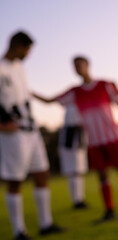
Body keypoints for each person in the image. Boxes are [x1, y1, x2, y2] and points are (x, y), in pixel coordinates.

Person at [33, 55, 118, 223]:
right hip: (94, 141)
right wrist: (28, 92)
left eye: (79, 64)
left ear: (87, 65)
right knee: (102, 176)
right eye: (74, 66)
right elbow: (49, 101)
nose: (77, 68)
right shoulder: (74, 92)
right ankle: (109, 210)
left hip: (113, 137)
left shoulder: (105, 85)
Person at [0, 31, 64, 240]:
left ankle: (46, 224)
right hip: (12, 132)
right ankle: (19, 231)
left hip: (31, 129)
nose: (28, 54)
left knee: (42, 173)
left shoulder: (20, 68)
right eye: (27, 50)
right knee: (15, 180)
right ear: (17, 46)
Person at [57, 104, 88, 209]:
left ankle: (80, 199)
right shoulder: (72, 107)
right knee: (74, 173)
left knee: (78, 173)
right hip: (70, 145)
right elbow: (75, 124)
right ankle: (77, 200)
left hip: (78, 144)